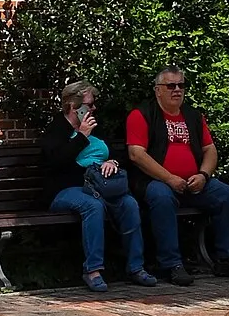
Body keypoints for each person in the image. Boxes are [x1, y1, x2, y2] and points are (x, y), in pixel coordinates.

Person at [125, 65, 229, 285]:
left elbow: (210, 149)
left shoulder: (193, 116)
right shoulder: (142, 115)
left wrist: (204, 175)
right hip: (155, 181)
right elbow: (136, 154)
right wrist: (169, 178)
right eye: (170, 86)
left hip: (193, 181)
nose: (177, 90)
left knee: (225, 194)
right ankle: (171, 264)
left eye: (181, 85)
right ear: (158, 90)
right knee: (161, 198)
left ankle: (228, 258)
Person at [40, 80, 153, 293]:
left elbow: (118, 152)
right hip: (67, 189)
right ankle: (93, 270)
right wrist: (81, 136)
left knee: (129, 203)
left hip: (102, 186)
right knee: (93, 206)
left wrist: (113, 162)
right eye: (89, 105)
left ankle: (136, 267)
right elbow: (56, 162)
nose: (94, 109)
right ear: (74, 107)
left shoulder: (95, 126)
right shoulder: (57, 129)